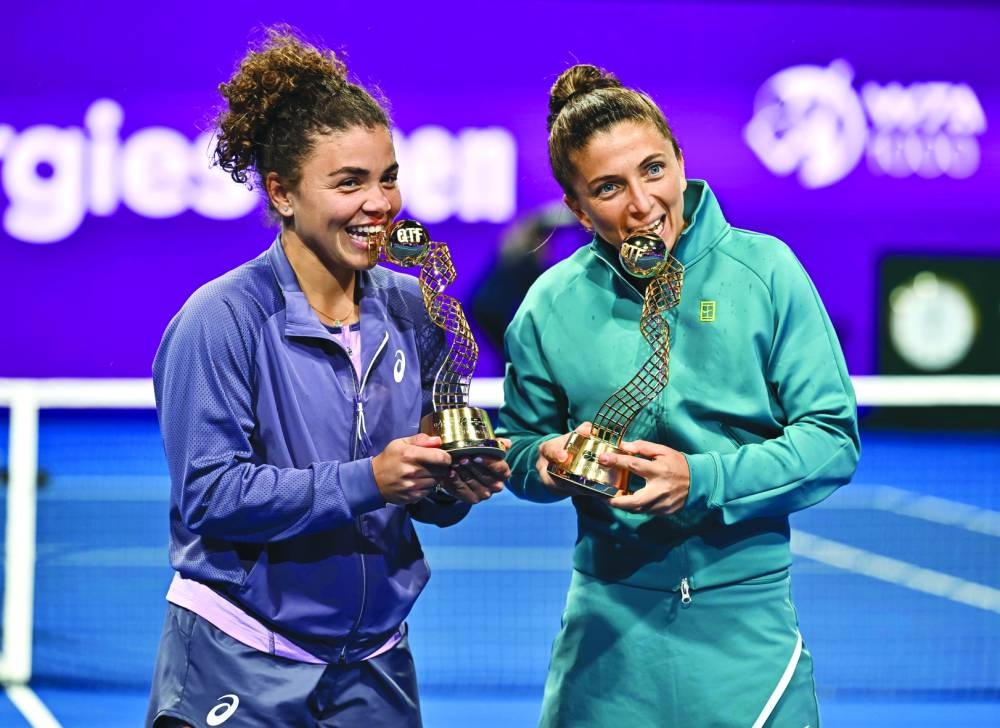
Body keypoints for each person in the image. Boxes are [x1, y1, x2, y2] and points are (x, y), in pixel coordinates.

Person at [146, 26, 508, 728]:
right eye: (349, 183)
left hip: (375, 668)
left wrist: (452, 483)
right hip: (240, 664)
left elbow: (423, 499)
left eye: (388, 176)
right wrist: (370, 479)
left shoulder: (417, 307)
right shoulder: (220, 320)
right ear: (282, 193)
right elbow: (211, 495)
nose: (379, 204)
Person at [497, 63, 860, 727]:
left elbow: (832, 440)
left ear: (682, 163)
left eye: (654, 170)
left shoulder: (768, 273)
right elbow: (519, 446)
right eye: (608, 187)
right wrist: (546, 462)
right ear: (577, 208)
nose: (642, 203)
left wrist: (702, 477)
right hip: (605, 647)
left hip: (746, 645)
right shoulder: (549, 306)